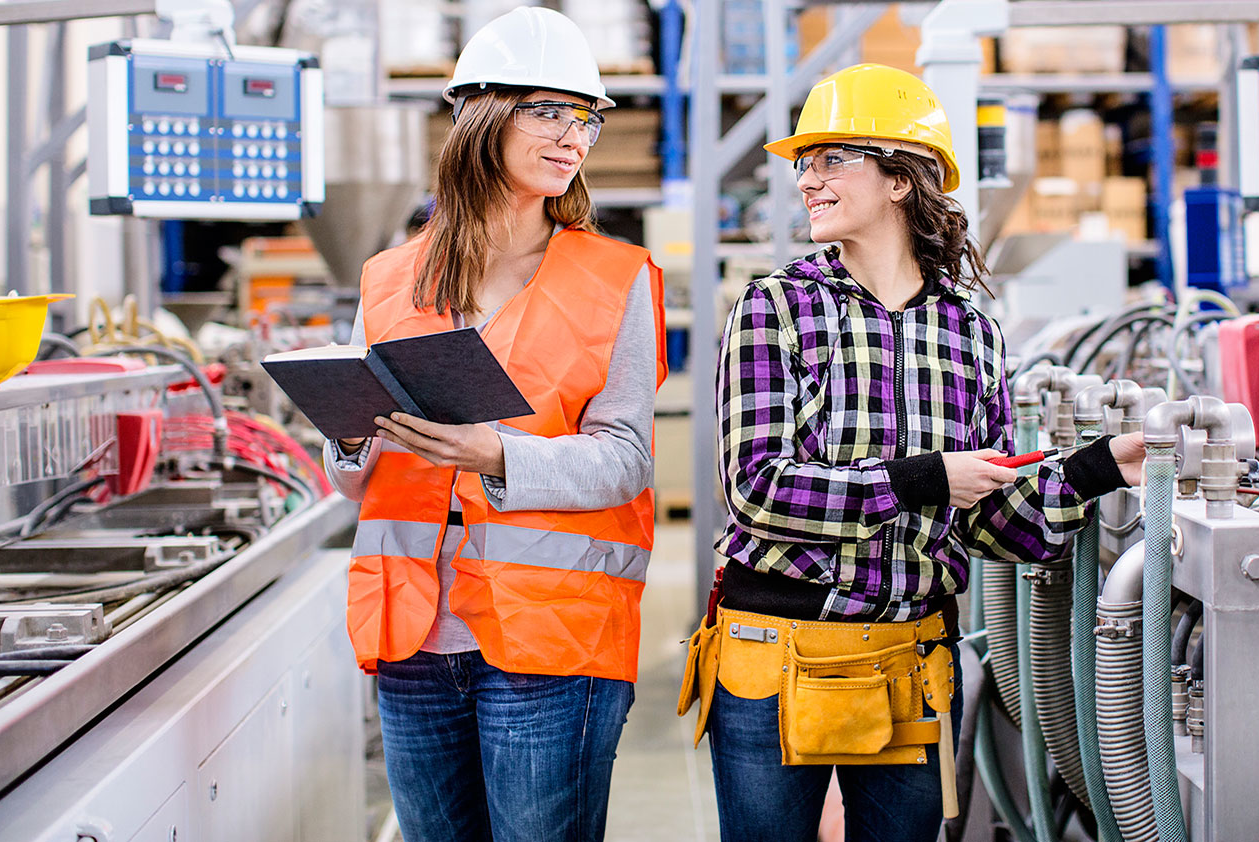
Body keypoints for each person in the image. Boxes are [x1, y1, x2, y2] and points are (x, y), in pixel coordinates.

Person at [679, 64, 1145, 842]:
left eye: (833, 159)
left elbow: (997, 525)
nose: (808, 180)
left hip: (912, 654)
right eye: (804, 162)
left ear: (901, 179)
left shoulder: (970, 329)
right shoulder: (776, 308)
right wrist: (925, 478)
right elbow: (758, 489)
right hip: (775, 650)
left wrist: (1104, 467)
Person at [323, 8, 665, 841]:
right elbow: (356, 474)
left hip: (552, 637)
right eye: (548, 110)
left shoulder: (618, 278)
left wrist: (496, 454)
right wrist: (349, 437)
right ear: (478, 117)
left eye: (585, 116)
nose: (573, 135)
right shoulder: (389, 278)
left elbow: (626, 461)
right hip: (412, 633)